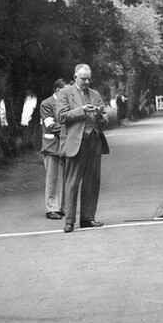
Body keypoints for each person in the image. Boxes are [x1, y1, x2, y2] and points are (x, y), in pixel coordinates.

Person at [57, 64, 110, 233]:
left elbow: (105, 119)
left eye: (88, 78)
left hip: (94, 141)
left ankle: (87, 218)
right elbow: (61, 117)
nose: (87, 82)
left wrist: (101, 115)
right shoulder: (65, 93)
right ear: (75, 78)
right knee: (72, 183)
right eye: (83, 79)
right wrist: (82, 110)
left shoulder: (95, 94)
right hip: (75, 143)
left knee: (92, 182)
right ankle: (69, 222)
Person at [40, 78, 68, 220]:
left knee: (62, 177)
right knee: (52, 178)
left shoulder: (66, 103)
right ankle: (51, 208)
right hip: (51, 146)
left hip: (64, 146)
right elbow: (50, 125)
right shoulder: (46, 104)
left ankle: (60, 207)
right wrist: (69, 130)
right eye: (65, 90)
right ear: (57, 90)